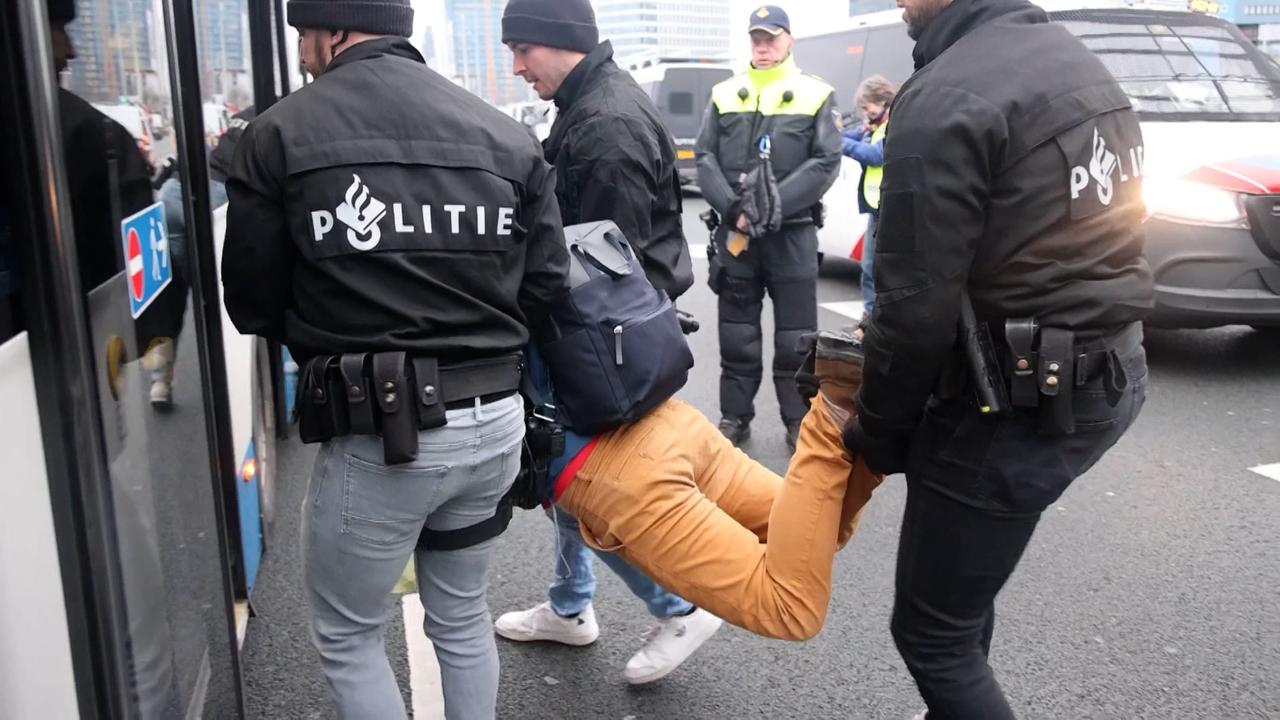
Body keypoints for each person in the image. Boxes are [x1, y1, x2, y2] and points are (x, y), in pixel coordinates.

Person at [221, 0, 569, 716]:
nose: (303, 50)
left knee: (350, 634)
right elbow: (546, 283)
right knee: (463, 616)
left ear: (336, 31)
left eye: (305, 34)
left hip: (383, 434)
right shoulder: (505, 135)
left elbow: (251, 301)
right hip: (496, 424)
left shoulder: (281, 133)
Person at [843, 0, 1153, 716]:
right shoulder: (1077, 62)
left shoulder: (950, 92)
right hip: (1107, 370)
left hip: (1016, 402)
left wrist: (877, 432)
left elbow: (913, 306)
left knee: (932, 633)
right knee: (961, 593)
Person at [495, 0, 717, 686]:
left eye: (524, 49)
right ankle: (569, 606)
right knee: (569, 481)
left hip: (600, 338)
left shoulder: (604, 124)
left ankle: (677, 606)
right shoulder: (596, 104)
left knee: (580, 479)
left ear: (560, 44)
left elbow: (599, 262)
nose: (517, 66)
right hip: (611, 331)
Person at [534, 328, 883, 641]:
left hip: (607, 465)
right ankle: (864, 419)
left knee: (788, 607)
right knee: (824, 523)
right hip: (665, 417)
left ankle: (836, 407)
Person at [696, 5, 841, 452]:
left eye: (771, 37)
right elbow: (705, 157)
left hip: (791, 235)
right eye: (756, 38)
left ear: (788, 40)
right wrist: (736, 208)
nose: (763, 46)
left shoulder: (814, 93)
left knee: (796, 339)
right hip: (738, 236)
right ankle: (734, 418)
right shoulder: (725, 93)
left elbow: (826, 161)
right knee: (737, 335)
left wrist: (771, 206)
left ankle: (798, 419)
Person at [840, 75, 897, 338]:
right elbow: (847, 136)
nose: (865, 113)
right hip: (877, 209)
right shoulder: (873, 127)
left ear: (884, 102)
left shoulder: (893, 126)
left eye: (868, 107)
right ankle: (868, 321)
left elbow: (875, 156)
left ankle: (875, 325)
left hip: (889, 210)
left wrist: (840, 142)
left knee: (877, 270)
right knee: (868, 269)